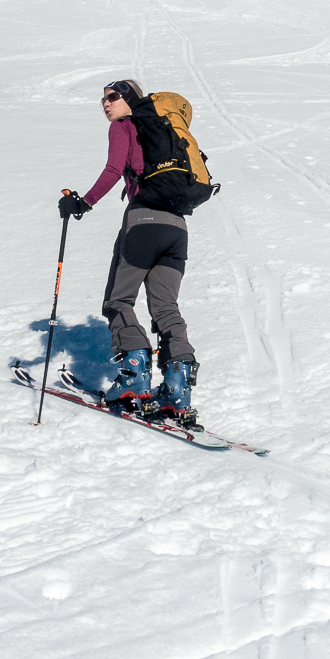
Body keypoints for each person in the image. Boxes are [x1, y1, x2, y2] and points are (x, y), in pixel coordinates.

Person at [57, 79, 200, 426]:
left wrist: (82, 202)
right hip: (177, 228)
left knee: (118, 301)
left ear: (130, 99)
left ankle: (134, 381)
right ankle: (177, 391)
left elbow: (112, 169)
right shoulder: (164, 131)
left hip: (142, 223)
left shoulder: (125, 126)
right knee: (165, 306)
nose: (106, 104)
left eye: (112, 97)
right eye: (103, 99)